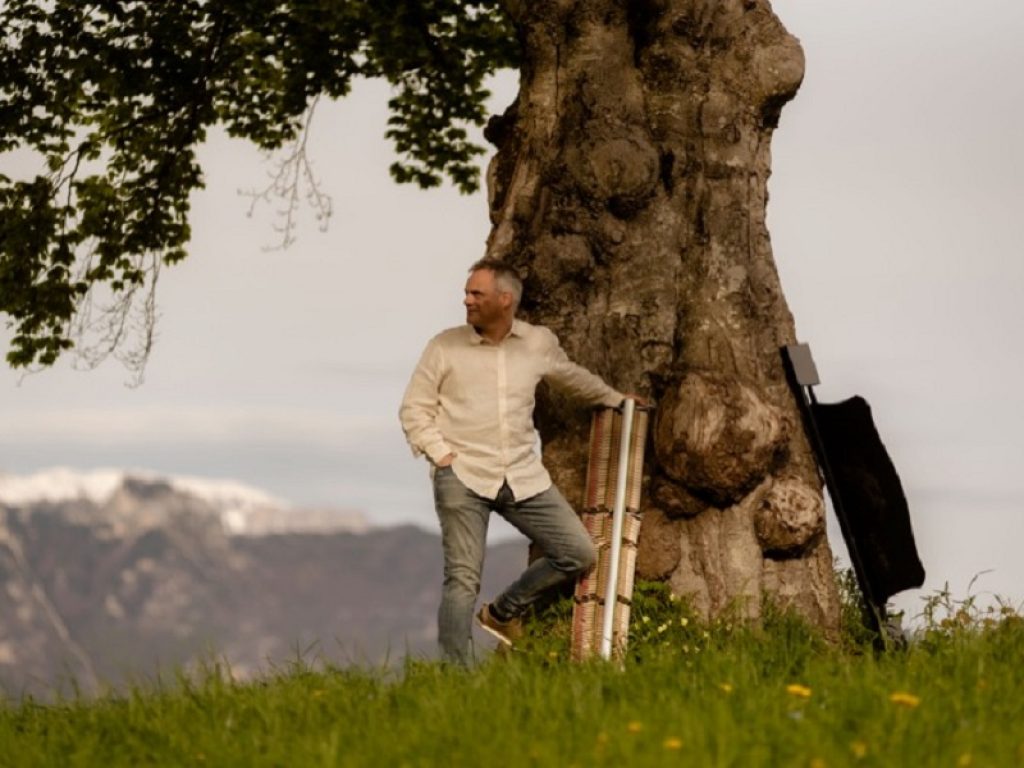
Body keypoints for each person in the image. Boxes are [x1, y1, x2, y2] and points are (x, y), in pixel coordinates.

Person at [399, 257, 628, 664]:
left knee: (578, 552)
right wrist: (442, 456)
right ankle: (455, 678)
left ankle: (504, 612)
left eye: (476, 293)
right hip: (463, 476)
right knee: (462, 581)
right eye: (467, 292)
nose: (466, 300)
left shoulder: (537, 343)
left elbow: (570, 376)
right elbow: (414, 410)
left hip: (523, 475)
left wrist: (616, 400)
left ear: (505, 300)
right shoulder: (443, 346)